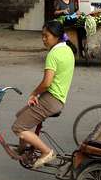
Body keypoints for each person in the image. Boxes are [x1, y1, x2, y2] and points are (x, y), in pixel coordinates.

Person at [12, 20, 75, 168]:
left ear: (57, 36)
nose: (43, 39)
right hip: (57, 99)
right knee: (20, 115)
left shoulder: (54, 54)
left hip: (51, 100)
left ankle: (47, 152)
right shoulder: (67, 50)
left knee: (18, 128)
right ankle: (22, 149)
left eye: (46, 36)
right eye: (42, 36)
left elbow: (47, 83)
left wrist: (34, 93)